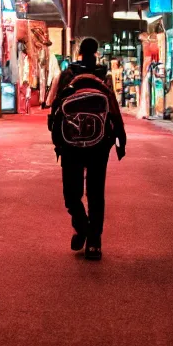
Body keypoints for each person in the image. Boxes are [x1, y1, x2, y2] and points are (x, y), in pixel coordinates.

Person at [48, 38, 127, 260]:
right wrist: (120, 137)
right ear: (97, 52)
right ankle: (94, 241)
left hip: (70, 143)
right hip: (99, 143)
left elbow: (55, 107)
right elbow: (112, 108)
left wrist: (57, 140)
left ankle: (82, 227)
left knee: (71, 195)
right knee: (95, 192)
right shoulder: (104, 75)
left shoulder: (68, 74)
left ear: (80, 52)